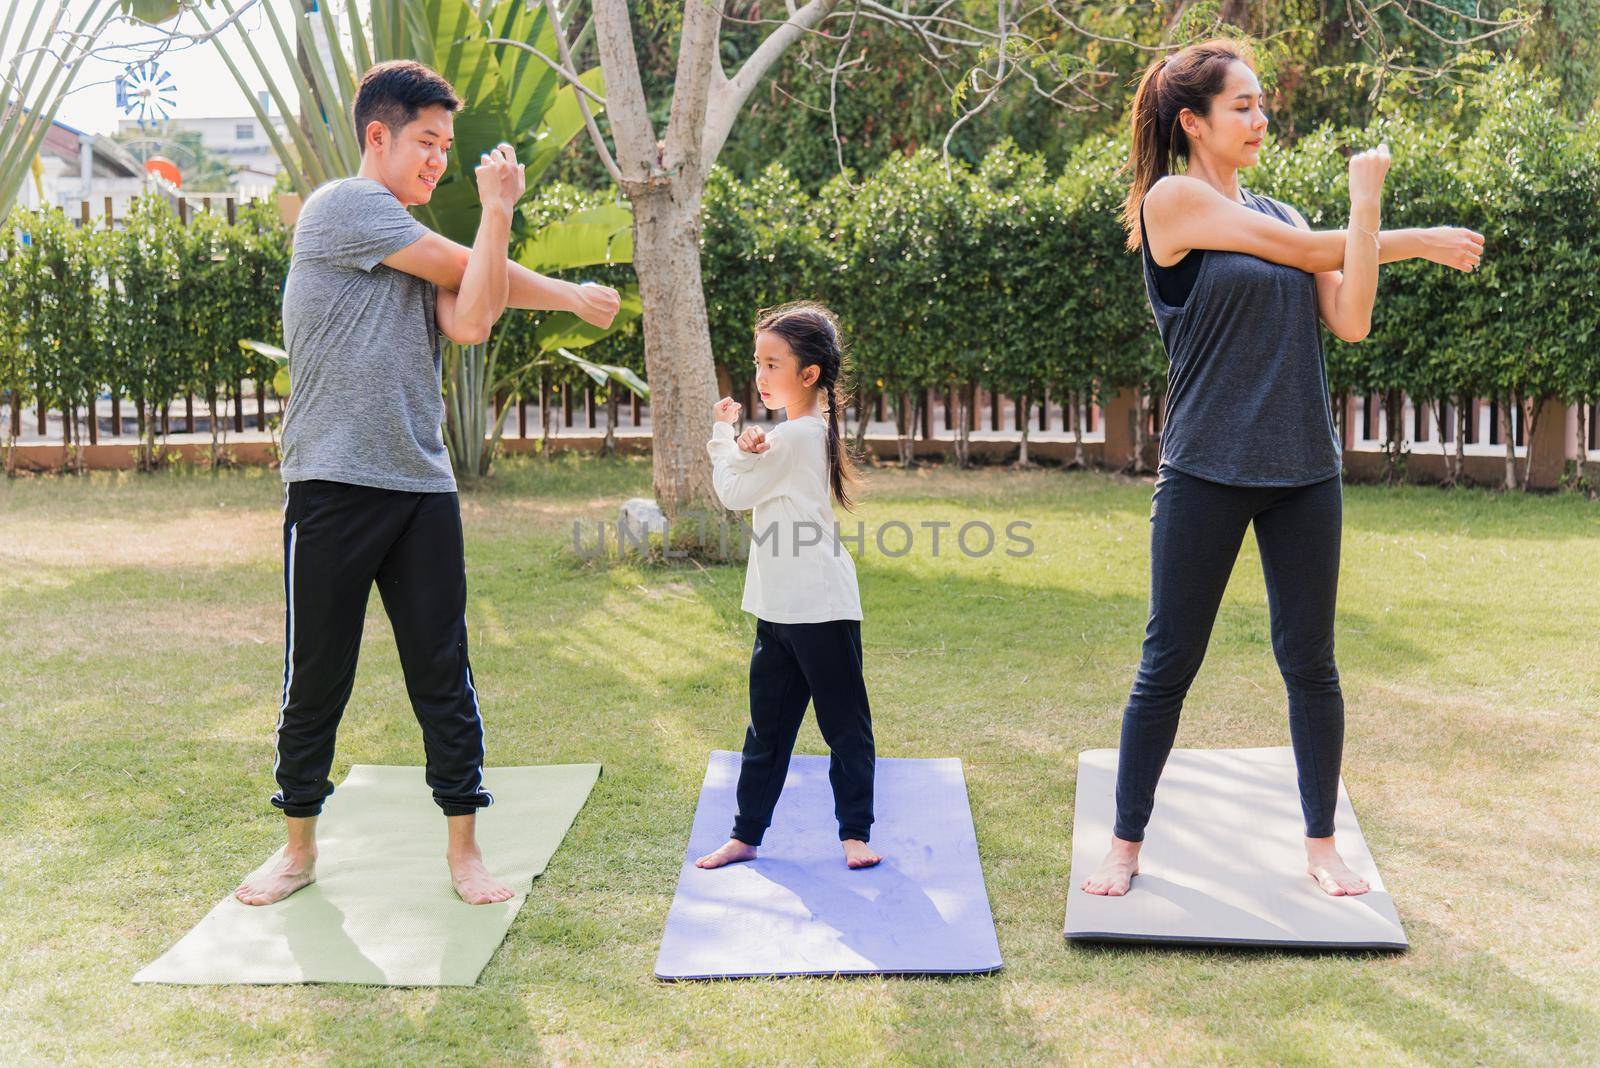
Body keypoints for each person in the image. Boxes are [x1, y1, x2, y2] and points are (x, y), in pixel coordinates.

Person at [1080, 39, 1484, 898]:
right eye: (1243, 106)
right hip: (1206, 467)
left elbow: (1353, 316)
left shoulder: (1292, 215)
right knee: (1169, 660)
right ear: (1193, 121)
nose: (1261, 119)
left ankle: (1322, 841)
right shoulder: (1174, 200)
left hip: (1303, 467)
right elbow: (1307, 256)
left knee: (1311, 662)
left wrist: (1365, 212)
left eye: (1262, 104)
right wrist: (1400, 229)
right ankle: (1124, 842)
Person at [234, 59, 620, 907]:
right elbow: (470, 272)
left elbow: (475, 314)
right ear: (379, 136)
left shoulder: (413, 244)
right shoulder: (347, 207)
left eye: (448, 144)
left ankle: (464, 853)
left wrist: (498, 213)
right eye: (428, 141)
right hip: (333, 483)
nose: (441, 157)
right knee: (316, 676)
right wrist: (558, 285)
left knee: (443, 670)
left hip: (420, 486)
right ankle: (297, 849)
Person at [695, 301, 880, 871]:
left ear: (809, 375)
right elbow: (758, 476)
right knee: (766, 730)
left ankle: (854, 834)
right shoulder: (793, 432)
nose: (760, 375)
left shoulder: (800, 435)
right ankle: (746, 835)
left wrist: (724, 437)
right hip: (776, 607)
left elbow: (732, 492)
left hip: (820, 608)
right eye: (758, 363)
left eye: (773, 364)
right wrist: (750, 445)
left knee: (843, 724)